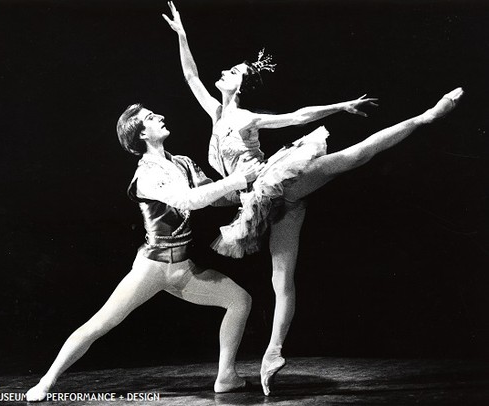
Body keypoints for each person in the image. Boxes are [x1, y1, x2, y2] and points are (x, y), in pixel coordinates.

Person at [163, 1, 464, 396]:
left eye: (232, 71)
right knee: (281, 278)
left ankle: (427, 116)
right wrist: (183, 35)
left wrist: (339, 106)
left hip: (279, 183)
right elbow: (190, 76)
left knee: (353, 156)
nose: (223, 72)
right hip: (259, 203)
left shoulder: (245, 118)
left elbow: (298, 117)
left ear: (240, 84)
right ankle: (272, 355)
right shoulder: (216, 113)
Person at [25, 104, 265, 401]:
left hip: (183, 270)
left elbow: (215, 197)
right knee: (101, 323)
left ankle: (226, 376)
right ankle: (46, 382)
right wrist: (238, 179)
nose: (161, 116)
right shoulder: (146, 176)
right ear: (141, 134)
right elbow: (188, 200)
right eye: (151, 118)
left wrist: (255, 186)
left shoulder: (183, 163)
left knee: (239, 300)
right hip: (151, 270)